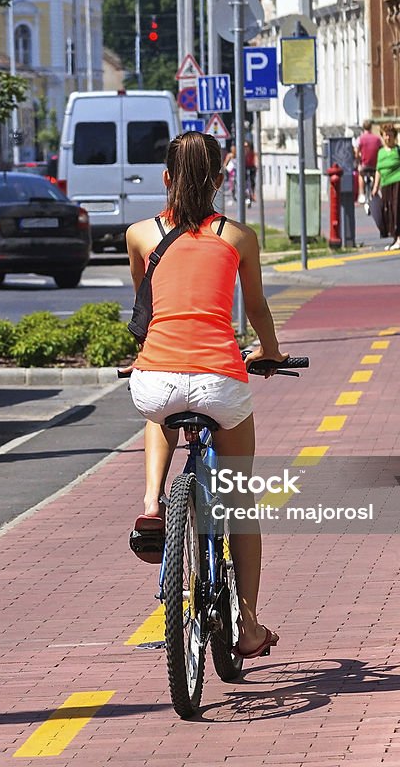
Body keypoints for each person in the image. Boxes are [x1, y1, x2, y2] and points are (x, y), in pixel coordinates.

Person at [125, 131, 287, 658]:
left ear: (166, 178)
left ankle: (153, 502)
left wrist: (147, 357)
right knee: (240, 500)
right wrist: (270, 353)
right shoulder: (238, 237)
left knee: (160, 402)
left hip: (159, 377)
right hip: (221, 378)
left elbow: (148, 310)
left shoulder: (140, 235)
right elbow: (257, 308)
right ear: (220, 180)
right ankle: (250, 625)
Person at [371, 124, 400, 251]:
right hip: (386, 184)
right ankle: (396, 239)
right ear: (382, 136)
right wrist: (375, 187)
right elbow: (378, 170)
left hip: (399, 182)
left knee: (398, 210)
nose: (388, 137)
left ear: (394, 136)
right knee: (388, 211)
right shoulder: (380, 152)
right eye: (385, 135)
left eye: (390, 135)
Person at [355, 120, 382, 212]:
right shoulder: (377, 139)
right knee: (377, 175)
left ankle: (362, 193)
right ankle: (376, 190)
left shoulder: (360, 139)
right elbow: (381, 150)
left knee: (361, 174)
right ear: (371, 127)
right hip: (375, 165)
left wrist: (358, 161)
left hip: (365, 164)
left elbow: (357, 152)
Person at [243, 140, 257, 204]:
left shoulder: (252, 152)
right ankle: (246, 194)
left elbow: (256, 159)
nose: (246, 147)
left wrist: (256, 164)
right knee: (245, 181)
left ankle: (253, 194)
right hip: (245, 167)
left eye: (247, 146)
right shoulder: (242, 152)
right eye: (244, 146)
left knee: (252, 181)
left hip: (251, 167)